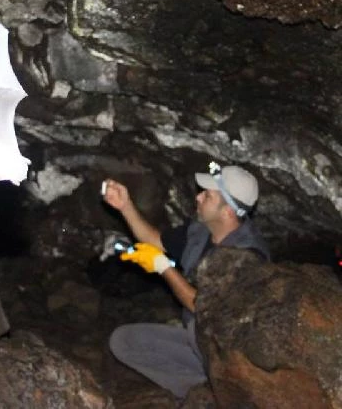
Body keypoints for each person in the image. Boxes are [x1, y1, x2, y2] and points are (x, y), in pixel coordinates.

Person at [102, 162, 270, 399]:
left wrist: (163, 267)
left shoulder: (247, 257)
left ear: (227, 212)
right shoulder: (201, 231)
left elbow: (202, 307)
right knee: (123, 341)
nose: (198, 197)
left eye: (208, 195)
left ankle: (221, 391)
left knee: (194, 328)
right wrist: (125, 206)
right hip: (199, 341)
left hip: (230, 352)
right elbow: (155, 240)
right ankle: (203, 389)